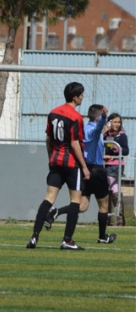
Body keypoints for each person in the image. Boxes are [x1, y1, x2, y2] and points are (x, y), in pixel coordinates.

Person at [26, 82, 90, 251]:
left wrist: (51, 158)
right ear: (75, 97)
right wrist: (84, 167)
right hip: (71, 163)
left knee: (48, 198)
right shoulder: (76, 117)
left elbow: (48, 139)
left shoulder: (53, 113)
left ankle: (34, 237)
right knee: (75, 201)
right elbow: (75, 144)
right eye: (82, 94)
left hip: (55, 161)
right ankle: (67, 240)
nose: (83, 97)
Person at [45, 104, 117, 244]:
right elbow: (96, 130)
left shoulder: (83, 130)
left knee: (82, 205)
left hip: (84, 169)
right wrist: (104, 118)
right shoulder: (94, 130)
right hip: (96, 170)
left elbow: (90, 143)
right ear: (98, 116)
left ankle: (57, 212)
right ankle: (102, 237)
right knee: (103, 204)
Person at [103, 113, 129, 226]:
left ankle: (118, 218)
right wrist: (104, 130)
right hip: (105, 164)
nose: (117, 124)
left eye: (119, 122)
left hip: (116, 164)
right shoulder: (105, 134)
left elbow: (126, 151)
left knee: (113, 188)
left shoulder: (122, 136)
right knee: (110, 189)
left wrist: (117, 149)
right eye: (115, 122)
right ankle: (110, 218)